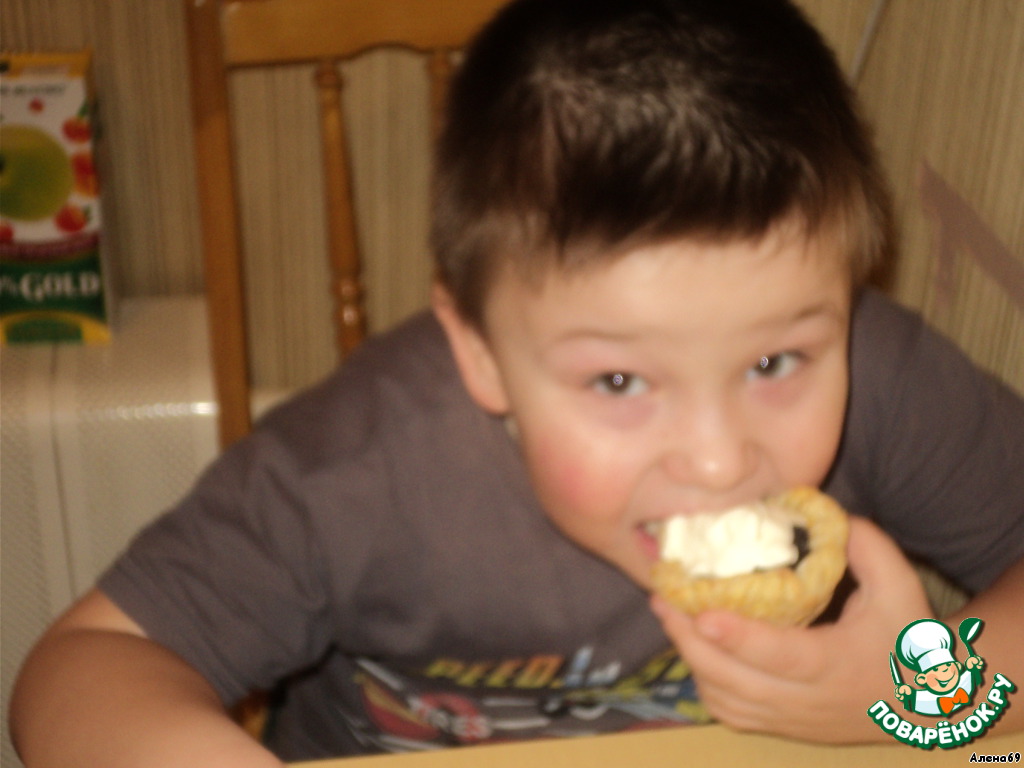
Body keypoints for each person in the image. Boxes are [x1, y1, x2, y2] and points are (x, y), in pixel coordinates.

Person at [10, 0, 1024, 764]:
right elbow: (78, 671)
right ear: (481, 353)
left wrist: (927, 694)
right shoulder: (355, 470)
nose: (720, 458)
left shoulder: (882, 373)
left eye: (773, 364)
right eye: (620, 380)